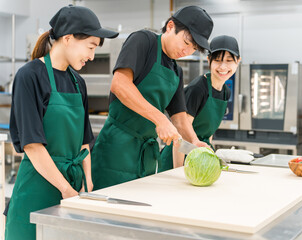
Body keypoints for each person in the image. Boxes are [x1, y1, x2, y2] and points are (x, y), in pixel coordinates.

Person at [5, 5, 118, 240]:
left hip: (73, 190)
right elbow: (33, 147)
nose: (92, 56)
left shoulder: (78, 82)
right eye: (90, 47)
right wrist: (66, 190)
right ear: (68, 38)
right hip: (38, 187)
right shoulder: (30, 76)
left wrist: (87, 184)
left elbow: (84, 142)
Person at [91, 6, 213, 190]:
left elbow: (179, 118)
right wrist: (159, 120)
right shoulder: (143, 41)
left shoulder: (176, 71)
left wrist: (194, 142)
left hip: (147, 155)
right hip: (116, 149)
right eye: (187, 42)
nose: (187, 51)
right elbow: (120, 84)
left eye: (194, 48)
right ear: (171, 26)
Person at [159, 35, 241, 171]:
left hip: (200, 156)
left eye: (229, 60)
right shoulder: (198, 89)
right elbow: (180, 135)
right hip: (179, 158)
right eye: (217, 60)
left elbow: (209, 133)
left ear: (238, 61)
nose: (223, 67)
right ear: (209, 60)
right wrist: (177, 170)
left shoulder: (226, 91)